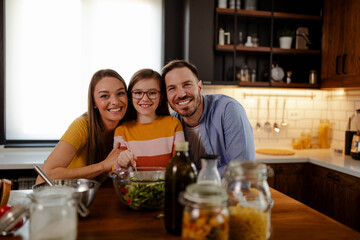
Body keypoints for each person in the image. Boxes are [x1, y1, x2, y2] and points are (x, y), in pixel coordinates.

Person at [161, 60, 255, 176]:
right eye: (172, 88)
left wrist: (193, 177)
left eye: (187, 85)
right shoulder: (173, 123)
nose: (181, 94)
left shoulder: (228, 110)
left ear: (200, 87)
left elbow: (242, 169)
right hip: (191, 193)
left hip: (229, 193)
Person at [35, 69, 128, 184]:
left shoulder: (129, 127)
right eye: (104, 96)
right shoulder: (82, 126)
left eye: (120, 93)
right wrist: (103, 166)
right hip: (69, 196)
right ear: (94, 103)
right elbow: (45, 176)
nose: (115, 101)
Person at [113, 69, 185, 169]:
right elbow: (118, 173)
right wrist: (121, 162)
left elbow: (180, 166)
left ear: (161, 96)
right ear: (131, 96)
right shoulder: (121, 130)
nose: (145, 99)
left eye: (152, 93)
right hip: (133, 185)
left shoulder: (174, 124)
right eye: (138, 93)